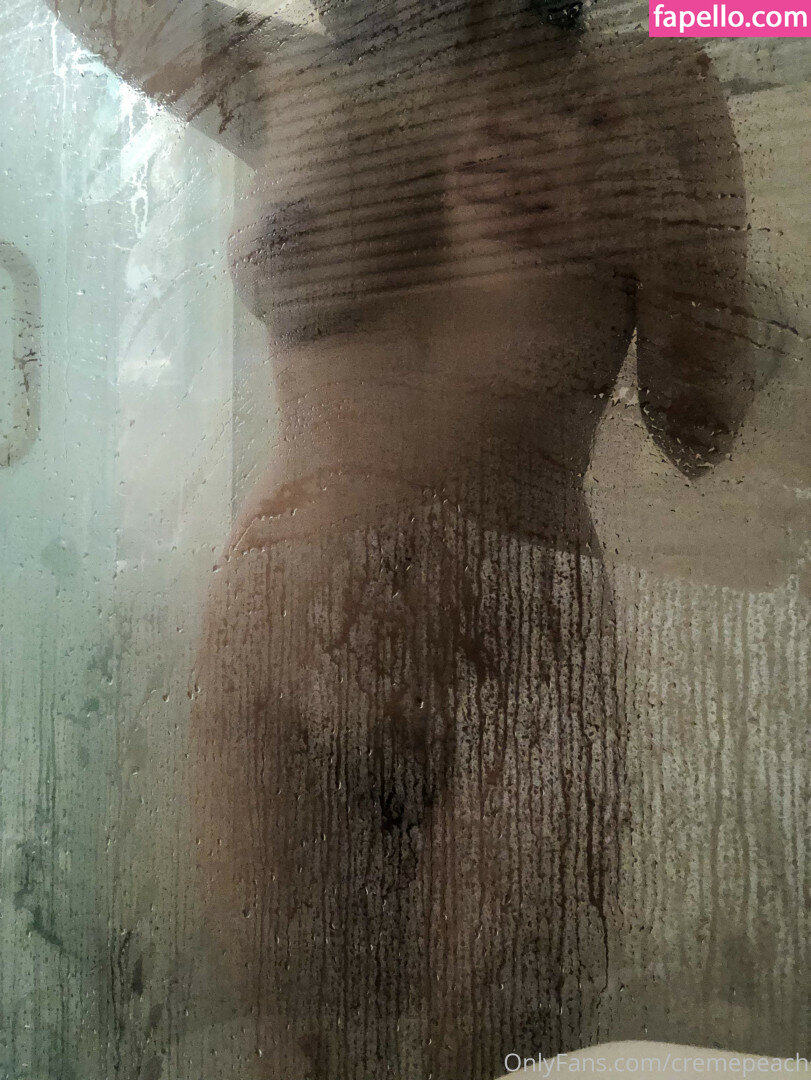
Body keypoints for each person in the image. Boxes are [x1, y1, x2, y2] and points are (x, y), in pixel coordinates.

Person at [44, 0, 765, 1076]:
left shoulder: (649, 83)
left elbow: (700, 425)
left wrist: (647, 210)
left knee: (499, 1058)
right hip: (273, 659)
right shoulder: (279, 70)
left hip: (521, 672)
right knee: (301, 1058)